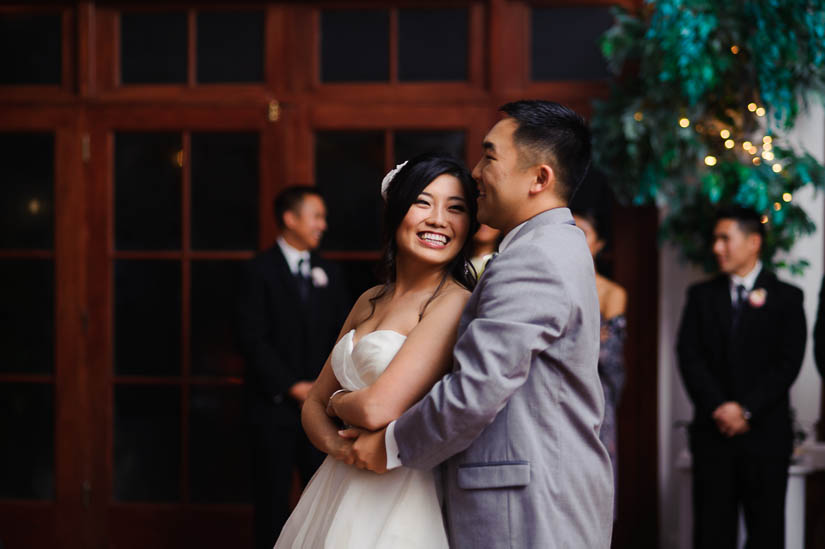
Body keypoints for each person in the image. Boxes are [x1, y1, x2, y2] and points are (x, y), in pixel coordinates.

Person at [340, 100, 614, 548]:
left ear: (539, 178)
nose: (476, 172)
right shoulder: (552, 245)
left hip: (526, 508)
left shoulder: (536, 257)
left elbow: (475, 390)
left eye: (489, 156)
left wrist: (389, 444)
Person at [274, 152, 479, 548]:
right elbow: (309, 407)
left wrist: (335, 402)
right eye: (423, 202)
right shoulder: (369, 298)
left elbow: (375, 409)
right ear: (396, 211)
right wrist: (337, 447)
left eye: (456, 209)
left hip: (400, 490)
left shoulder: (452, 301)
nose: (439, 219)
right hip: (338, 481)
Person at [676, 206, 806, 549]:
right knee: (711, 533)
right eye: (715, 239)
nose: (716, 248)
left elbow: (788, 364)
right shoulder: (700, 297)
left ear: (753, 242)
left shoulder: (788, 298)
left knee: (766, 534)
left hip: (765, 436)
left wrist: (746, 410)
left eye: (725, 239)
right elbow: (689, 357)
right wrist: (720, 407)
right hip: (713, 436)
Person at [236, 186, 350, 549]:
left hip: (323, 407)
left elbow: (344, 334)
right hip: (273, 408)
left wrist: (323, 388)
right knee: (271, 501)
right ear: (290, 218)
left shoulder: (328, 271)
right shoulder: (257, 271)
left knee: (324, 497)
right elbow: (251, 339)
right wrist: (291, 386)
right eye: (316, 216)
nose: (323, 225)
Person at [572, 208, 627, 517]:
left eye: (585, 234)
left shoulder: (611, 292)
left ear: (599, 244)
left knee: (595, 483)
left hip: (598, 395)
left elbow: (608, 350)